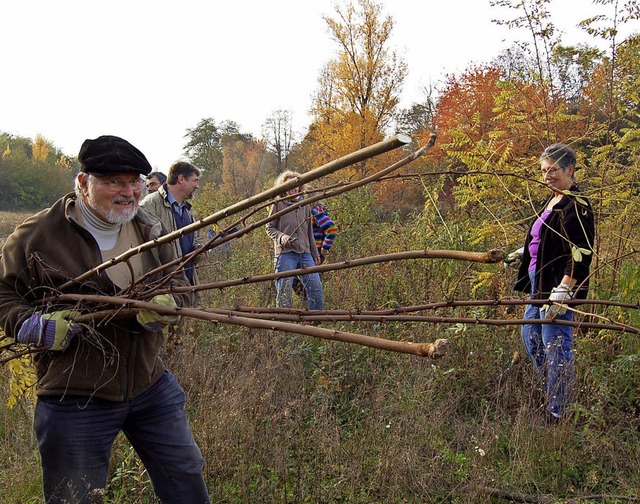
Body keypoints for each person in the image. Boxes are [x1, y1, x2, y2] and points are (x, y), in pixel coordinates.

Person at [0, 135, 210, 503]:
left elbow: (180, 282)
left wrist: (166, 306)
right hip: (75, 395)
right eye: (114, 181)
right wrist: (36, 327)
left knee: (186, 476)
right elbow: (3, 294)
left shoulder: (150, 228)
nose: (127, 192)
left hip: (148, 381)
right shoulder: (38, 235)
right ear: (83, 183)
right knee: (75, 497)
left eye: (134, 182)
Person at [506, 143, 595, 423]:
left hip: (557, 286)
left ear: (569, 169)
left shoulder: (575, 205)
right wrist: (524, 253)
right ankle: (553, 392)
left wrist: (564, 290)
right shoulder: (552, 200)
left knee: (555, 344)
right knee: (531, 337)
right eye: (544, 171)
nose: (547, 176)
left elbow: (580, 252)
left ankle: (560, 411)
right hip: (538, 282)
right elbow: (545, 237)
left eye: (553, 170)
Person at [140, 161, 204, 297]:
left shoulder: (188, 211)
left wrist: (200, 249)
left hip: (185, 286)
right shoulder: (150, 204)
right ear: (181, 179)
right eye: (195, 181)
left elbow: (199, 240)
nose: (197, 186)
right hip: (160, 289)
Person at [265, 171, 324, 310]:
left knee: (315, 287)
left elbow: (309, 232)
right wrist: (282, 237)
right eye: (290, 185)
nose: (294, 188)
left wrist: (315, 254)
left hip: (305, 253)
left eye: (296, 185)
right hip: (285, 254)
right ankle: (285, 325)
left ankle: (316, 321)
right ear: (283, 187)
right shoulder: (277, 205)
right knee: (284, 292)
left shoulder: (304, 205)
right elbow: (269, 228)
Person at [293, 202, 338, 296]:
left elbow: (331, 229)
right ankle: (308, 304)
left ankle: (311, 305)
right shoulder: (306, 211)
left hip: (314, 252)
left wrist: (324, 248)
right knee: (300, 282)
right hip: (306, 250)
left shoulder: (315, 211)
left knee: (306, 281)